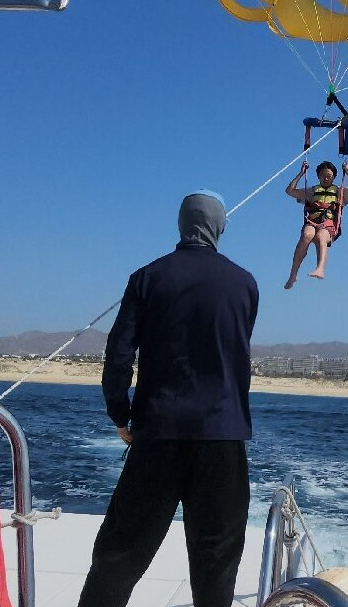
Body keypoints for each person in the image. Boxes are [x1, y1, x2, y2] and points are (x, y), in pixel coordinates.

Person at [78, 189, 259, 607]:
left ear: (181, 224)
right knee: (216, 561)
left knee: (120, 552)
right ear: (220, 226)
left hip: (158, 433)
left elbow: (118, 354)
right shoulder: (245, 284)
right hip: (222, 437)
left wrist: (120, 414)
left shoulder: (147, 277)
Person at [284, 159, 348, 288]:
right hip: (312, 221)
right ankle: (293, 274)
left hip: (329, 224)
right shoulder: (312, 191)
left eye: (329, 176)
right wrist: (301, 173)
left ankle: (320, 268)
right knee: (306, 235)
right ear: (318, 176)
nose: (326, 178)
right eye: (323, 175)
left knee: (321, 236)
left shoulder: (340, 192)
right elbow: (289, 191)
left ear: (334, 177)